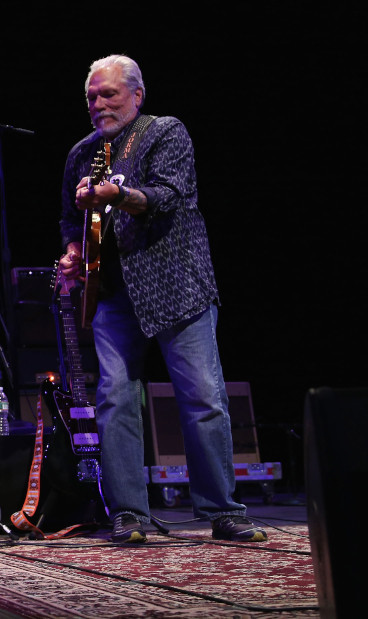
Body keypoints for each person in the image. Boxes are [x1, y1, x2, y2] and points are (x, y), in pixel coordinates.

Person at [57, 55, 267, 544]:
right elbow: (70, 219)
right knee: (115, 400)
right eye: (91, 96)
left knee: (203, 399)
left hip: (177, 285)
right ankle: (129, 513)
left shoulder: (166, 132)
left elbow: (168, 196)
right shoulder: (80, 154)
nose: (98, 104)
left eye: (108, 94)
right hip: (112, 292)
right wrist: (72, 252)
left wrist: (112, 195)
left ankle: (223, 511)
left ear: (136, 94)